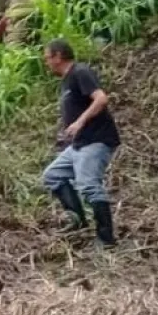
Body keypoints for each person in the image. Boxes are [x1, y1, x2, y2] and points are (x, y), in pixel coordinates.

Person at [41, 38, 121, 248]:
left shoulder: (80, 72)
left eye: (48, 58)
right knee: (53, 176)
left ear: (58, 56)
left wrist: (79, 122)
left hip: (95, 140)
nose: (46, 63)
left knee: (88, 185)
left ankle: (106, 238)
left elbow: (101, 99)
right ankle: (78, 222)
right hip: (78, 144)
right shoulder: (67, 80)